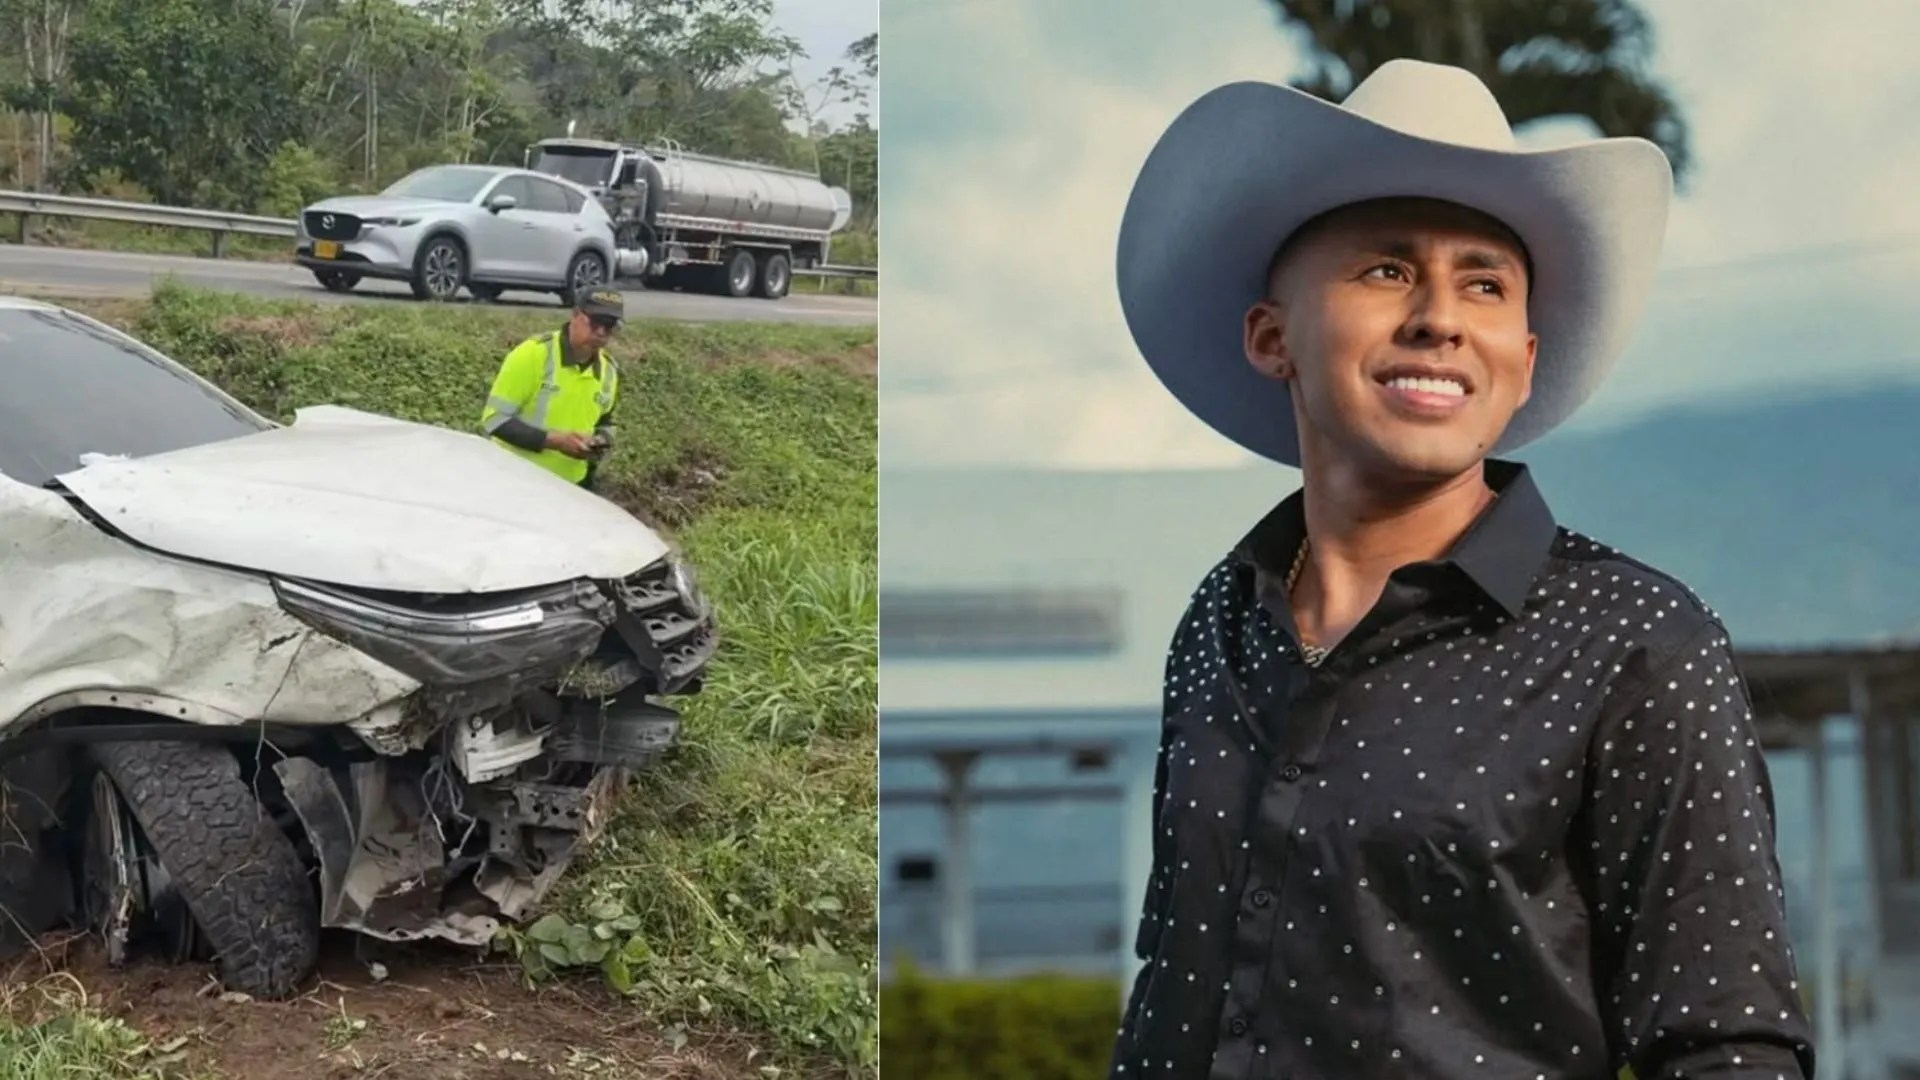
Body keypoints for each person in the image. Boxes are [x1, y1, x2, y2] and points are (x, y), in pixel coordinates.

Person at [1107, 60, 1815, 1079]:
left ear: (1522, 360)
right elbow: (1173, 987)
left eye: (1483, 282)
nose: (1440, 315)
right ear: (1274, 338)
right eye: (1387, 270)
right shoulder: (1219, 624)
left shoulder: (1639, 646)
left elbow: (1727, 1048)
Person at [481, 288, 623, 488]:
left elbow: (607, 422)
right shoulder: (533, 354)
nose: (600, 332)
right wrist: (555, 441)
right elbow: (494, 420)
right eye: (595, 322)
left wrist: (600, 441)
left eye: (609, 326)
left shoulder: (609, 371)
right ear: (575, 315)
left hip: (572, 488)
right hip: (515, 481)